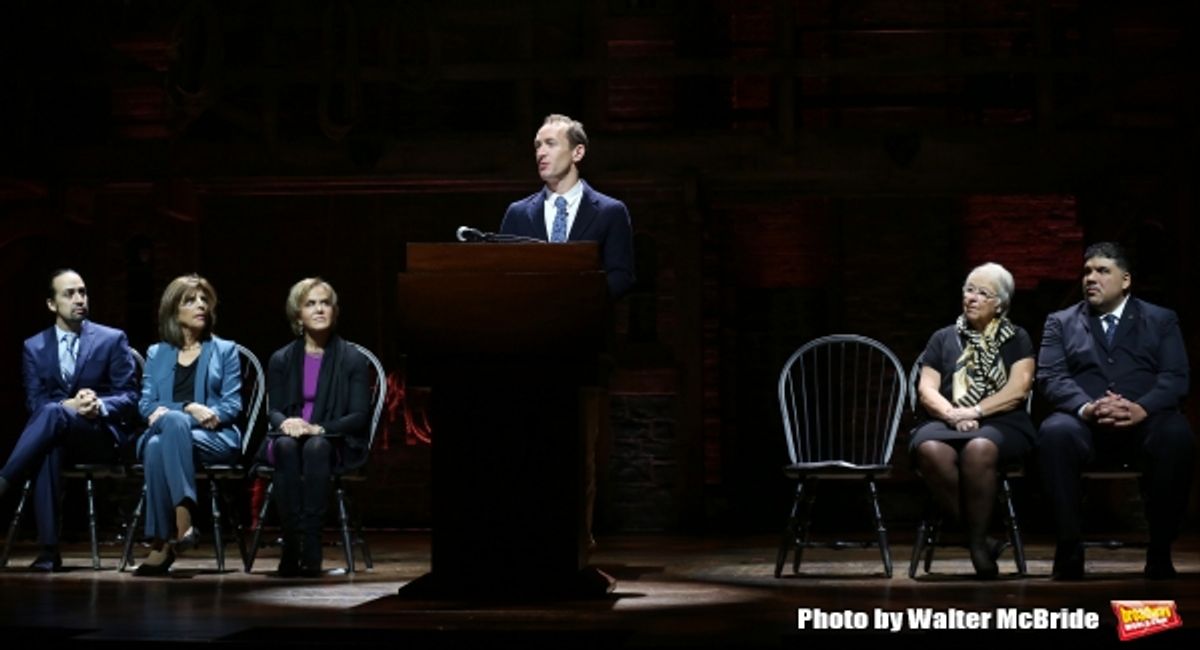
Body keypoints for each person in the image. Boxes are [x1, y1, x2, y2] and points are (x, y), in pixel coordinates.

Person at [1037, 242, 1193, 580]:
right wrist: (1087, 407)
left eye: (1102, 271)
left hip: (1144, 423)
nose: (1091, 278)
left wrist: (1141, 408)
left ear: (1125, 280)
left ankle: (1160, 551)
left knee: (1177, 434)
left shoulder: (1160, 319)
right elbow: (1051, 377)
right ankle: (1068, 550)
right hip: (1084, 425)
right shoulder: (1060, 322)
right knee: (1054, 432)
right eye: (1087, 271)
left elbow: (1175, 377)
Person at [0, 270, 139, 571]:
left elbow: (130, 396)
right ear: (52, 304)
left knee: (50, 418)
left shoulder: (111, 339)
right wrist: (69, 405)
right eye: (69, 293)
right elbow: (34, 403)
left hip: (99, 436)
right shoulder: (34, 347)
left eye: (83, 292)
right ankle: (49, 552)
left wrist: (98, 405)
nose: (79, 299)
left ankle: (4, 481)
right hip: (57, 435)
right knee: (48, 442)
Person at [910, 262, 1036, 579]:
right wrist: (953, 414)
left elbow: (1018, 389)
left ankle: (976, 544)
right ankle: (979, 540)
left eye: (983, 293)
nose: (972, 298)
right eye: (969, 289)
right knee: (929, 449)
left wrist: (976, 412)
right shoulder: (942, 338)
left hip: (1003, 421)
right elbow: (926, 389)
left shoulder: (1017, 338)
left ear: (1000, 304)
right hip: (948, 417)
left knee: (979, 447)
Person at [133, 274, 242, 576]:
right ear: (173, 310)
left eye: (205, 299)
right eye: (191, 300)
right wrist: (187, 408)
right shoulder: (157, 353)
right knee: (168, 430)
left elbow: (232, 405)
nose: (201, 305)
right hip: (170, 431)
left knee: (159, 444)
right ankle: (183, 526)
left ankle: (161, 541)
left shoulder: (225, 350)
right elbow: (146, 405)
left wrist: (196, 414)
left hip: (214, 436)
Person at [262, 278, 370, 577]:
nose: (319, 309)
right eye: (310, 304)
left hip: (332, 439)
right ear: (298, 315)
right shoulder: (282, 358)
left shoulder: (352, 358)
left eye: (325, 303)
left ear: (335, 311)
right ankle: (291, 547)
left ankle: (311, 545)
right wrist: (286, 422)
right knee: (284, 445)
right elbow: (274, 409)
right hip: (291, 436)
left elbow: (360, 415)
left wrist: (319, 428)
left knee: (316, 447)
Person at [499, 113, 635, 299]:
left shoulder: (610, 212)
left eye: (551, 143)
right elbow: (504, 275)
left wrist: (577, 299)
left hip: (587, 321)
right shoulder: (518, 213)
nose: (541, 153)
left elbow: (621, 276)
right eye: (538, 145)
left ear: (577, 152)